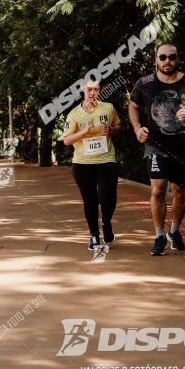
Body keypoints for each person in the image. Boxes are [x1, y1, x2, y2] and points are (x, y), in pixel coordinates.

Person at [128, 43, 185, 256]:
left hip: (183, 148)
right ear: (156, 59)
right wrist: (137, 129)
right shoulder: (144, 83)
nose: (167, 61)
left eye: (171, 57)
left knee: (181, 192)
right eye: (162, 57)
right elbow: (133, 106)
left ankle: (174, 231)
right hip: (155, 146)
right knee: (157, 190)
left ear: (177, 58)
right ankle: (159, 236)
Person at [63, 80, 121, 250]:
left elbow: (118, 125)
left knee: (108, 197)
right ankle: (94, 235)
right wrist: (83, 132)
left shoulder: (108, 108)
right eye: (89, 89)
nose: (92, 92)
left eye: (96, 89)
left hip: (106, 159)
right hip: (82, 163)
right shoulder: (74, 114)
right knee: (90, 201)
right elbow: (66, 140)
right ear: (83, 90)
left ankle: (106, 222)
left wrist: (111, 130)